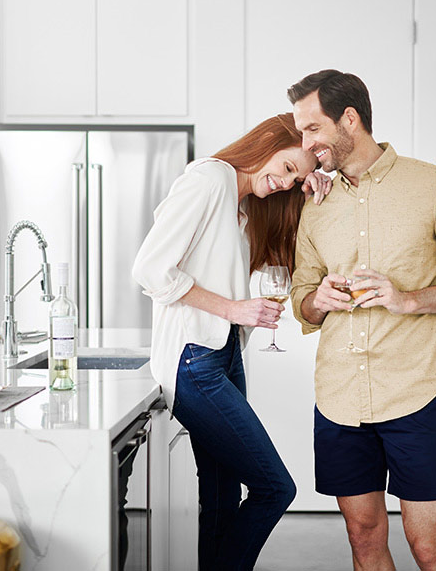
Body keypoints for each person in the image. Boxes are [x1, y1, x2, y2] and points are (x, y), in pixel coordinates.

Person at [288, 70, 436, 571]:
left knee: (428, 547)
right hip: (340, 398)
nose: (305, 142)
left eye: (312, 129)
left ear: (350, 120)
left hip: (414, 394)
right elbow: (301, 293)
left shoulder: (434, 185)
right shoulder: (315, 202)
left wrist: (407, 300)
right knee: (363, 539)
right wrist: (317, 300)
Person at [132, 112, 332, 571]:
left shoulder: (243, 204)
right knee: (275, 488)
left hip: (222, 356)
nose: (285, 182)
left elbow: (284, 258)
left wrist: (311, 198)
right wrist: (233, 309)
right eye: (287, 168)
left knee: (221, 494)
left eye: (296, 177)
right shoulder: (210, 180)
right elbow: (150, 269)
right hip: (193, 361)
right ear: (265, 142)